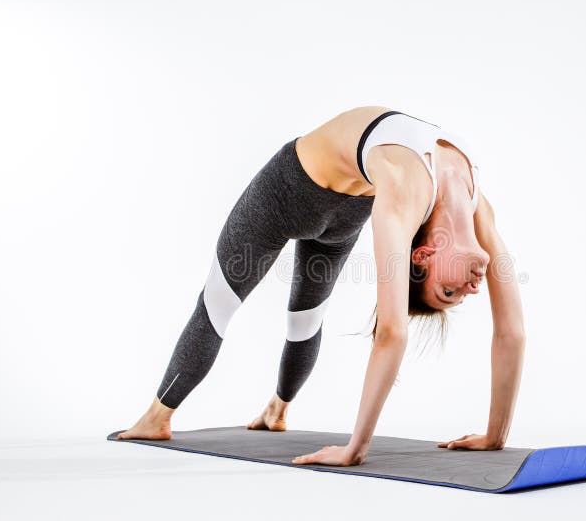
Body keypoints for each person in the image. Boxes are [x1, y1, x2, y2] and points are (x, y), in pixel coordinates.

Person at [116, 106, 526, 467]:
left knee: (301, 318)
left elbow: (512, 332)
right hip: (288, 191)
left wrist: (496, 435)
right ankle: (161, 417)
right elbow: (392, 331)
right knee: (221, 303)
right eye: (449, 294)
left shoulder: (435, 200)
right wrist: (355, 448)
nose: (471, 291)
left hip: (345, 209)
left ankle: (273, 410)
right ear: (422, 256)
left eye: (450, 293)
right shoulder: (445, 196)